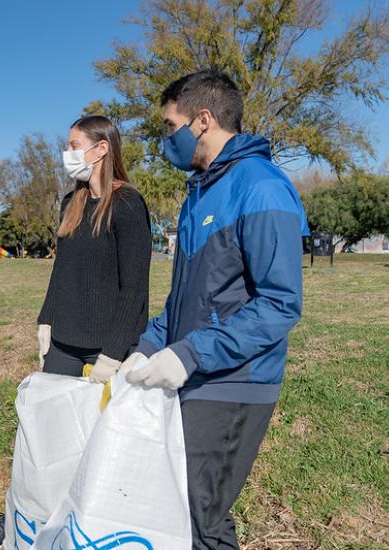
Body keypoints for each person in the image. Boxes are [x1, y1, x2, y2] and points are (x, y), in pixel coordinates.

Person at [116, 70, 309, 548]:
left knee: (200, 514)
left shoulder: (261, 187)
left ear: (202, 119)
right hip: (196, 375)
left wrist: (192, 353)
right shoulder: (200, 192)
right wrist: (147, 347)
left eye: (170, 125)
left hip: (235, 381)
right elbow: (186, 298)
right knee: (178, 507)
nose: (166, 138)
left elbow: (280, 304)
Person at [37, 115, 151, 381]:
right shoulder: (71, 203)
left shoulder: (128, 204)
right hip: (64, 343)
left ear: (101, 148)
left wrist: (113, 353)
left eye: (74, 146)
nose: (68, 153)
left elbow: (134, 288)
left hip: (107, 349)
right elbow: (61, 269)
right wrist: (46, 319)